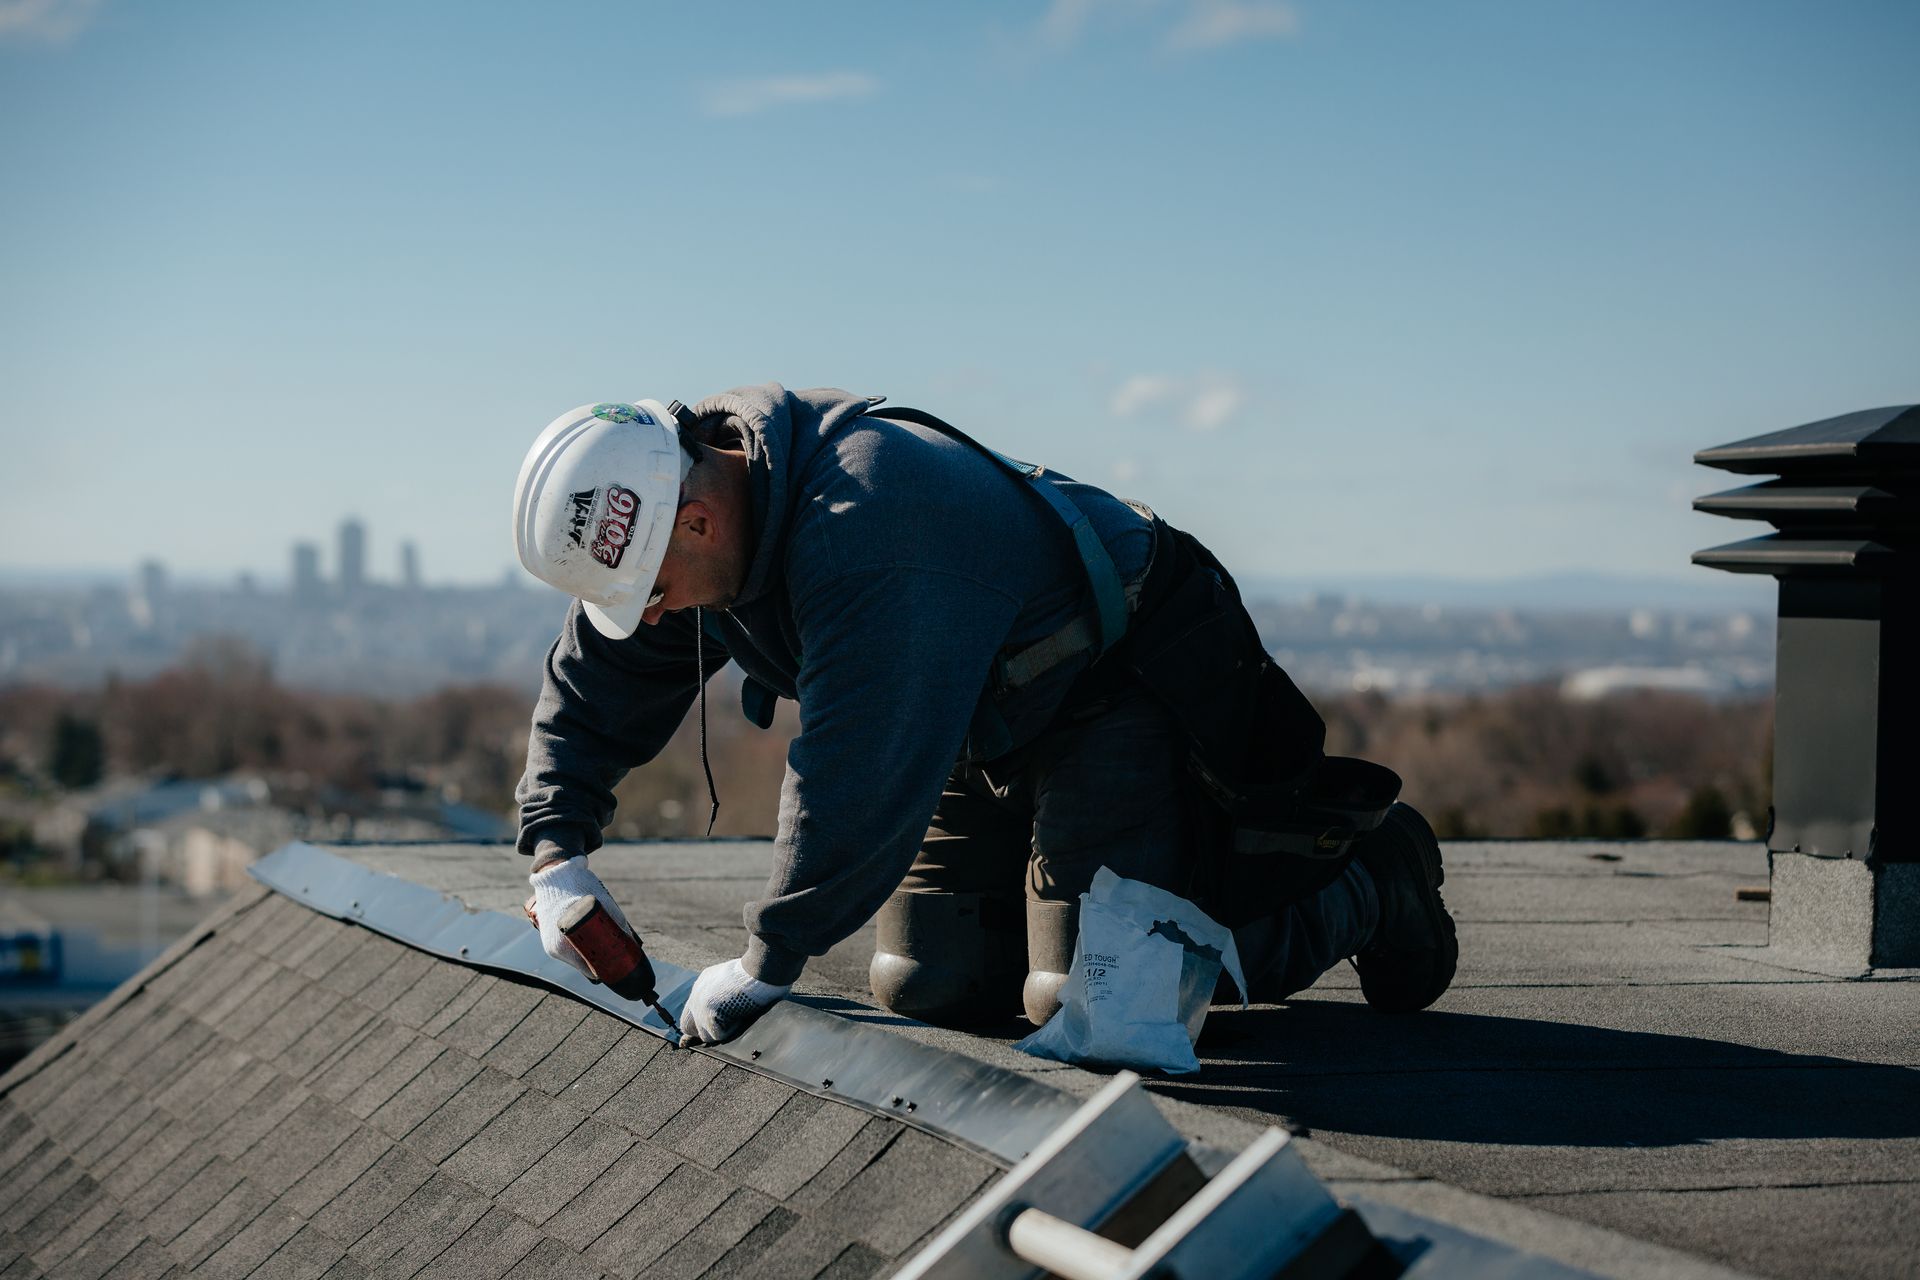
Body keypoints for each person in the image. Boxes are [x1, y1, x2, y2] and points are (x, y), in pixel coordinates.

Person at [513, 384, 1456, 1047]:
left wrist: (767, 960)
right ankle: (1072, 895)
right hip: (977, 712)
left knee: (1099, 1012)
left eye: (655, 590)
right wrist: (556, 851)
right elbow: (604, 672)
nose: (653, 614)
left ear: (699, 521)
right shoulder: (682, 501)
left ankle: (1372, 884)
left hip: (1114, 683)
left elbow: (855, 770)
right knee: (932, 983)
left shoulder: (866, 522)